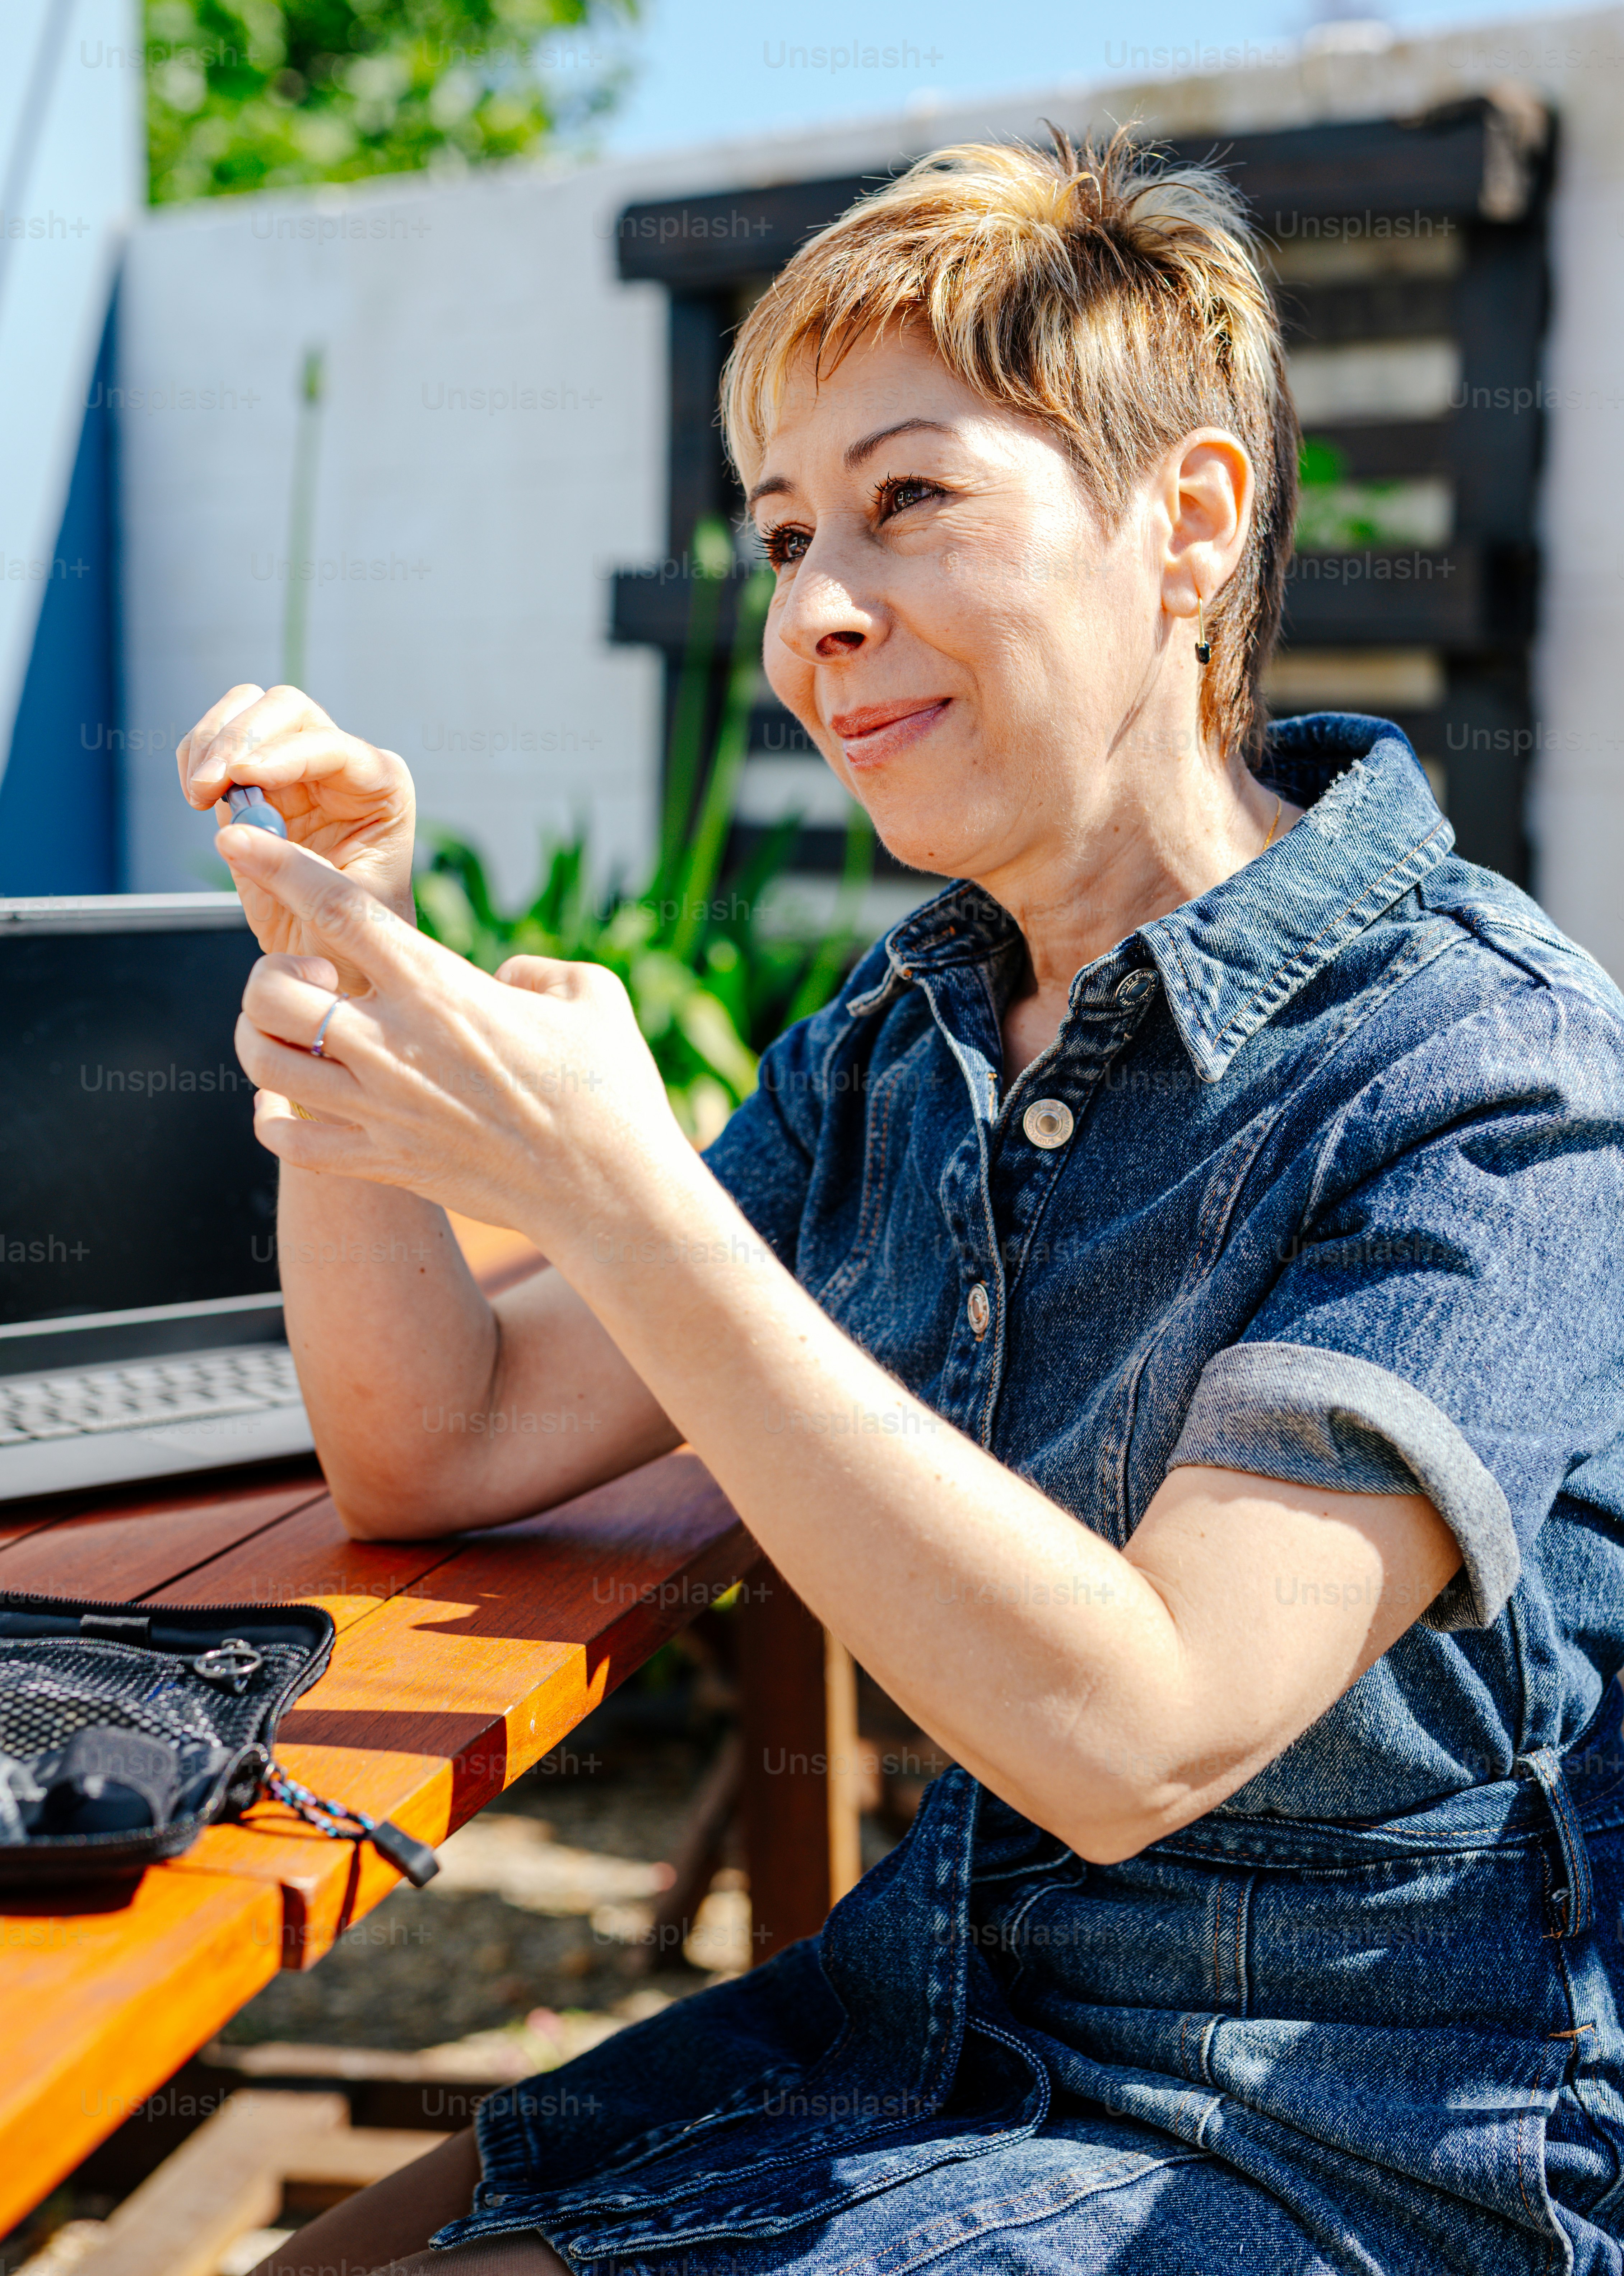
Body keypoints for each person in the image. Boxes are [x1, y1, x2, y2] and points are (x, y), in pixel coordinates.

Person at [181, 131, 1624, 2276]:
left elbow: (1141, 1728)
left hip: (1342, 2148)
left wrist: (628, 1190)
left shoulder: (1484, 1072)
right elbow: (440, 1437)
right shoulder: (912, 1032)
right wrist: (343, 967)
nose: (813, 614)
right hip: (924, 2030)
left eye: (907, 501)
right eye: (781, 537)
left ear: (1190, 524)